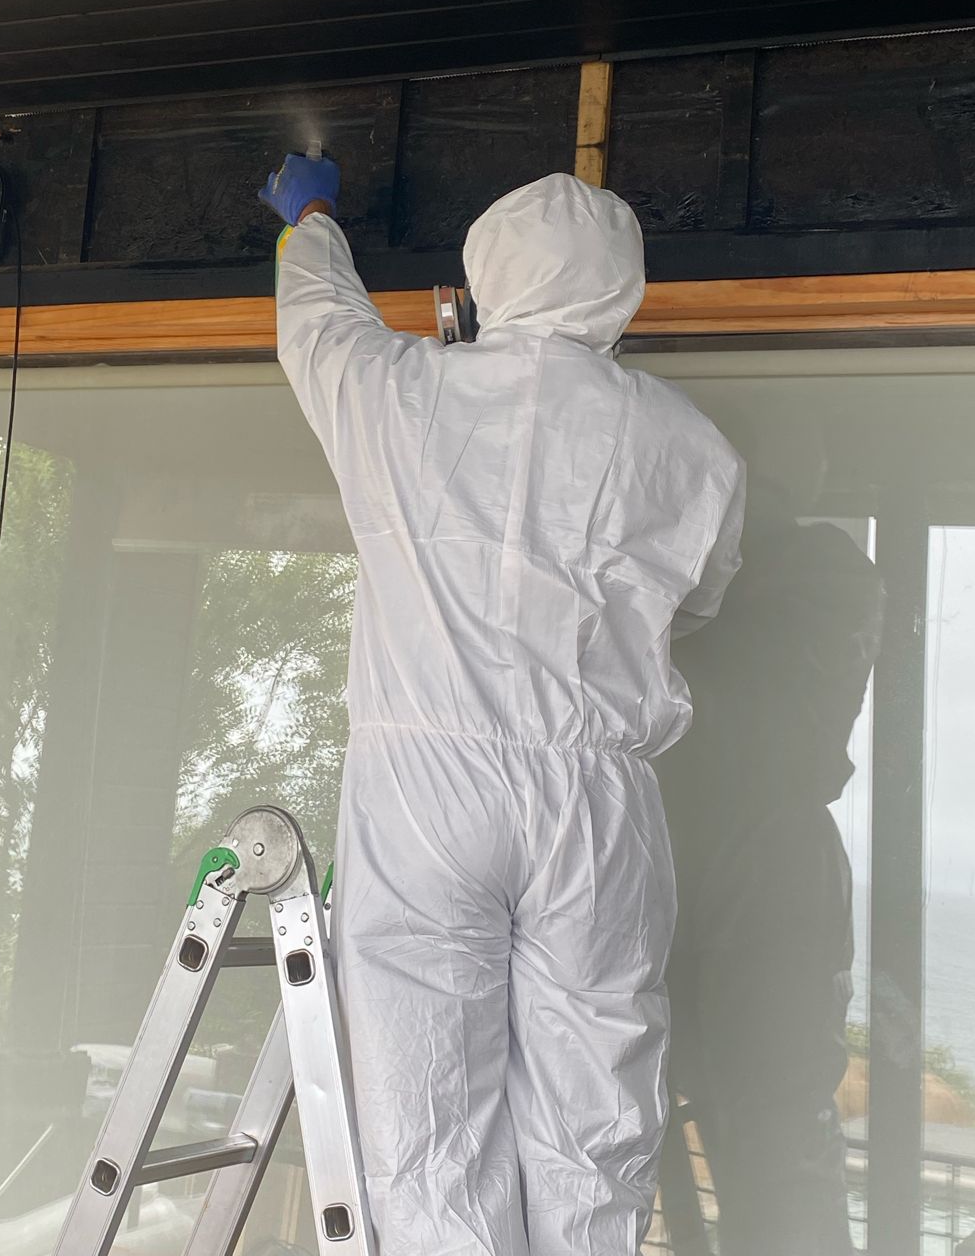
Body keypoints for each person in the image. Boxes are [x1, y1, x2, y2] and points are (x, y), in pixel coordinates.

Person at [259, 158, 745, 1256]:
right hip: (598, 799)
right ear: (622, 287)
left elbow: (318, 324)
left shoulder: (402, 391)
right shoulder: (693, 447)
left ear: (488, 278)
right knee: (597, 1119)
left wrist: (312, 217)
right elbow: (701, 599)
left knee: (427, 1122)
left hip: (424, 785)